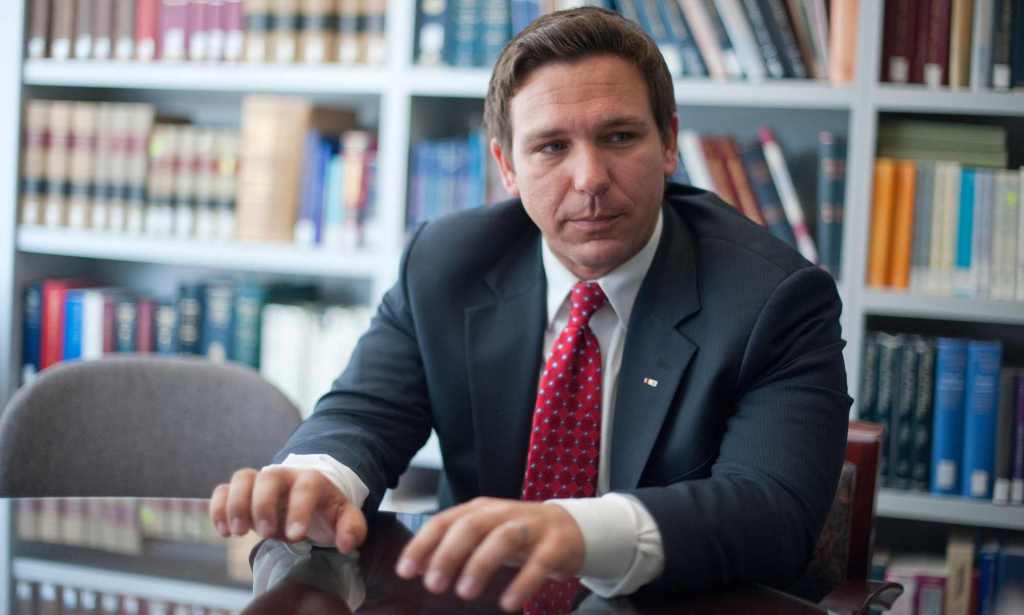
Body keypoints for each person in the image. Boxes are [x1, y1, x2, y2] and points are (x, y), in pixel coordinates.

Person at [210, 7, 851, 613]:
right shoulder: (446, 263)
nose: (590, 178)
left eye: (619, 136)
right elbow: (365, 411)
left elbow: (772, 512)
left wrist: (573, 529)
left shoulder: (775, 299)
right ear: (506, 167)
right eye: (550, 147)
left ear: (669, 143)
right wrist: (319, 477)